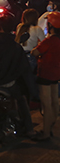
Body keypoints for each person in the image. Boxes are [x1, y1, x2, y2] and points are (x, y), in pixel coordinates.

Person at [30, 11, 60, 140]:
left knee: (46, 104)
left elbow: (35, 52)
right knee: (54, 101)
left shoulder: (49, 41)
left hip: (45, 73)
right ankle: (51, 125)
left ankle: (46, 132)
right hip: (56, 74)